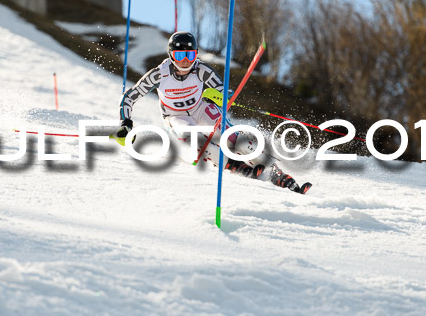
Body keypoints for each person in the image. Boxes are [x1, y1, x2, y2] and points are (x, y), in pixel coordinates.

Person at [115, 31, 310, 194]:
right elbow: (129, 97)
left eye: (189, 56)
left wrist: (222, 97)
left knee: (233, 137)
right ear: (171, 55)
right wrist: (126, 123)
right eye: (179, 56)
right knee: (194, 138)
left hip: (200, 108)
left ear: (196, 54)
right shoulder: (159, 74)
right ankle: (235, 166)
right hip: (176, 116)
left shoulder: (201, 70)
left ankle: (277, 173)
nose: (184, 62)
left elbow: (223, 91)